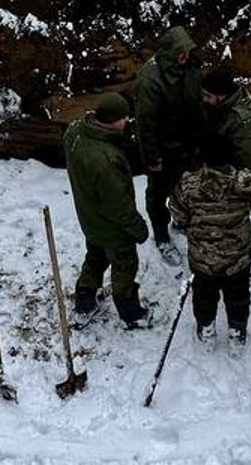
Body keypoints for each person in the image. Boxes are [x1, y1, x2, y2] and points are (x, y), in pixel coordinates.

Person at [64, 93, 152, 328]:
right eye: (123, 118)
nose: (127, 121)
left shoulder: (75, 132)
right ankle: (131, 314)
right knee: (124, 267)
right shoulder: (107, 160)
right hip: (113, 229)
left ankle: (84, 300)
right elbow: (119, 207)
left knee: (95, 257)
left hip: (89, 217)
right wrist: (139, 229)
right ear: (111, 120)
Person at [168, 144, 251, 347]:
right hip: (238, 257)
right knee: (238, 296)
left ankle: (206, 330)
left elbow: (179, 215)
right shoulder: (245, 181)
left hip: (203, 258)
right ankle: (237, 333)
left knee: (204, 296)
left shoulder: (188, 183)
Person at [133, 26, 203, 264]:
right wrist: (152, 157)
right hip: (165, 147)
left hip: (189, 142)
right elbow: (146, 122)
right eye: (180, 53)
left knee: (188, 186)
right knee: (157, 193)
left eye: (187, 51)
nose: (185, 56)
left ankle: (182, 221)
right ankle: (162, 235)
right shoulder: (150, 78)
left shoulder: (191, 67)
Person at [200, 69, 251, 188]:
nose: (204, 99)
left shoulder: (243, 122)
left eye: (208, 96)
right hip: (216, 175)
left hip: (238, 185)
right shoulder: (217, 108)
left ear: (221, 96)